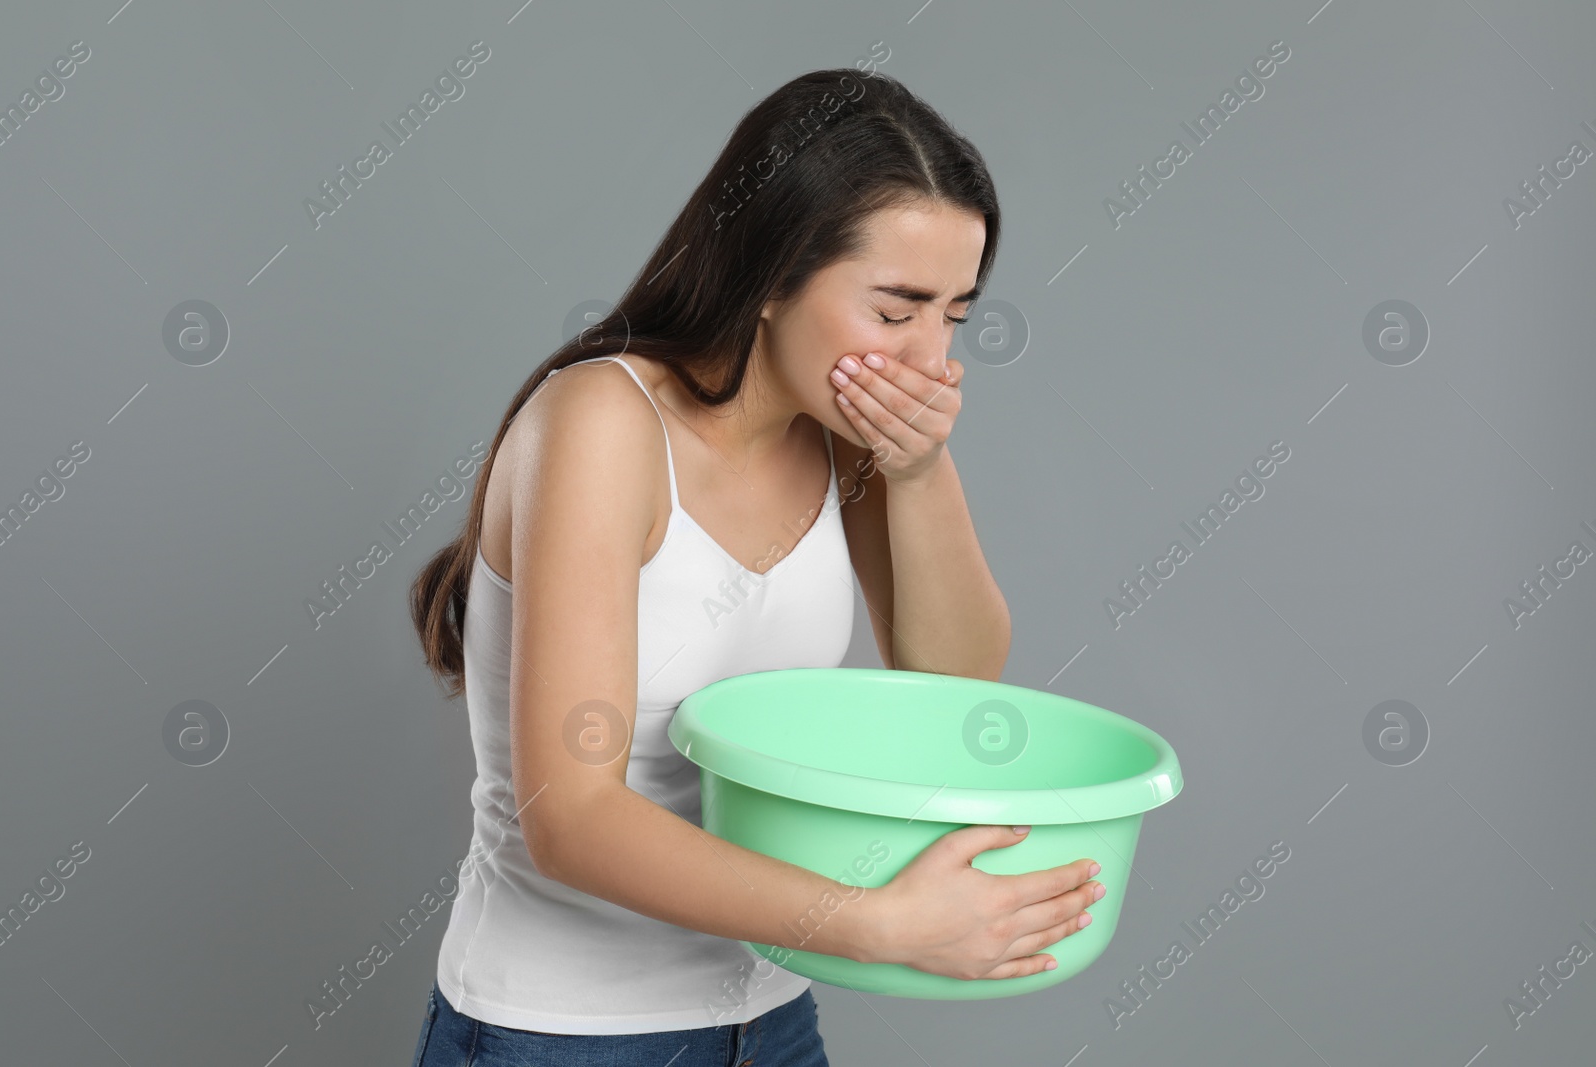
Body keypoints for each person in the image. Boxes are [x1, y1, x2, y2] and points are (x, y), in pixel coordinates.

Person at [404, 67, 1104, 1067]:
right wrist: (883, 924)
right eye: (895, 309)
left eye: (954, 314)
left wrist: (919, 468)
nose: (928, 360)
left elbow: (950, 696)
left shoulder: (845, 439)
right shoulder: (603, 421)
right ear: (772, 275)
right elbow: (572, 813)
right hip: (561, 1031)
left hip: (765, 1018)